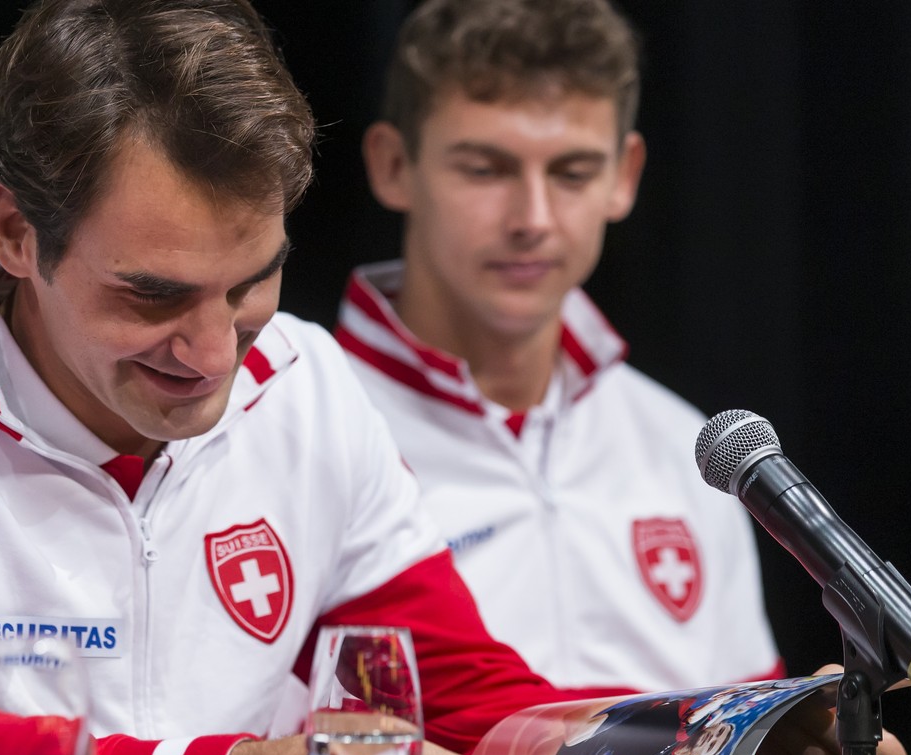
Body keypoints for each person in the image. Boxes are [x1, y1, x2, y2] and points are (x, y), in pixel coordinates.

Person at [0, 0, 902, 755]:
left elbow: (468, 706)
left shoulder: (308, 384)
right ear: (13, 233)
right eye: (152, 294)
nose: (212, 351)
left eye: (251, 284)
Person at [334, 0, 782, 692]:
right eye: (485, 169)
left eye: (572, 173)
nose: (533, 220)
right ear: (394, 165)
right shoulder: (299, 429)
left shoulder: (683, 445)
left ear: (624, 176)